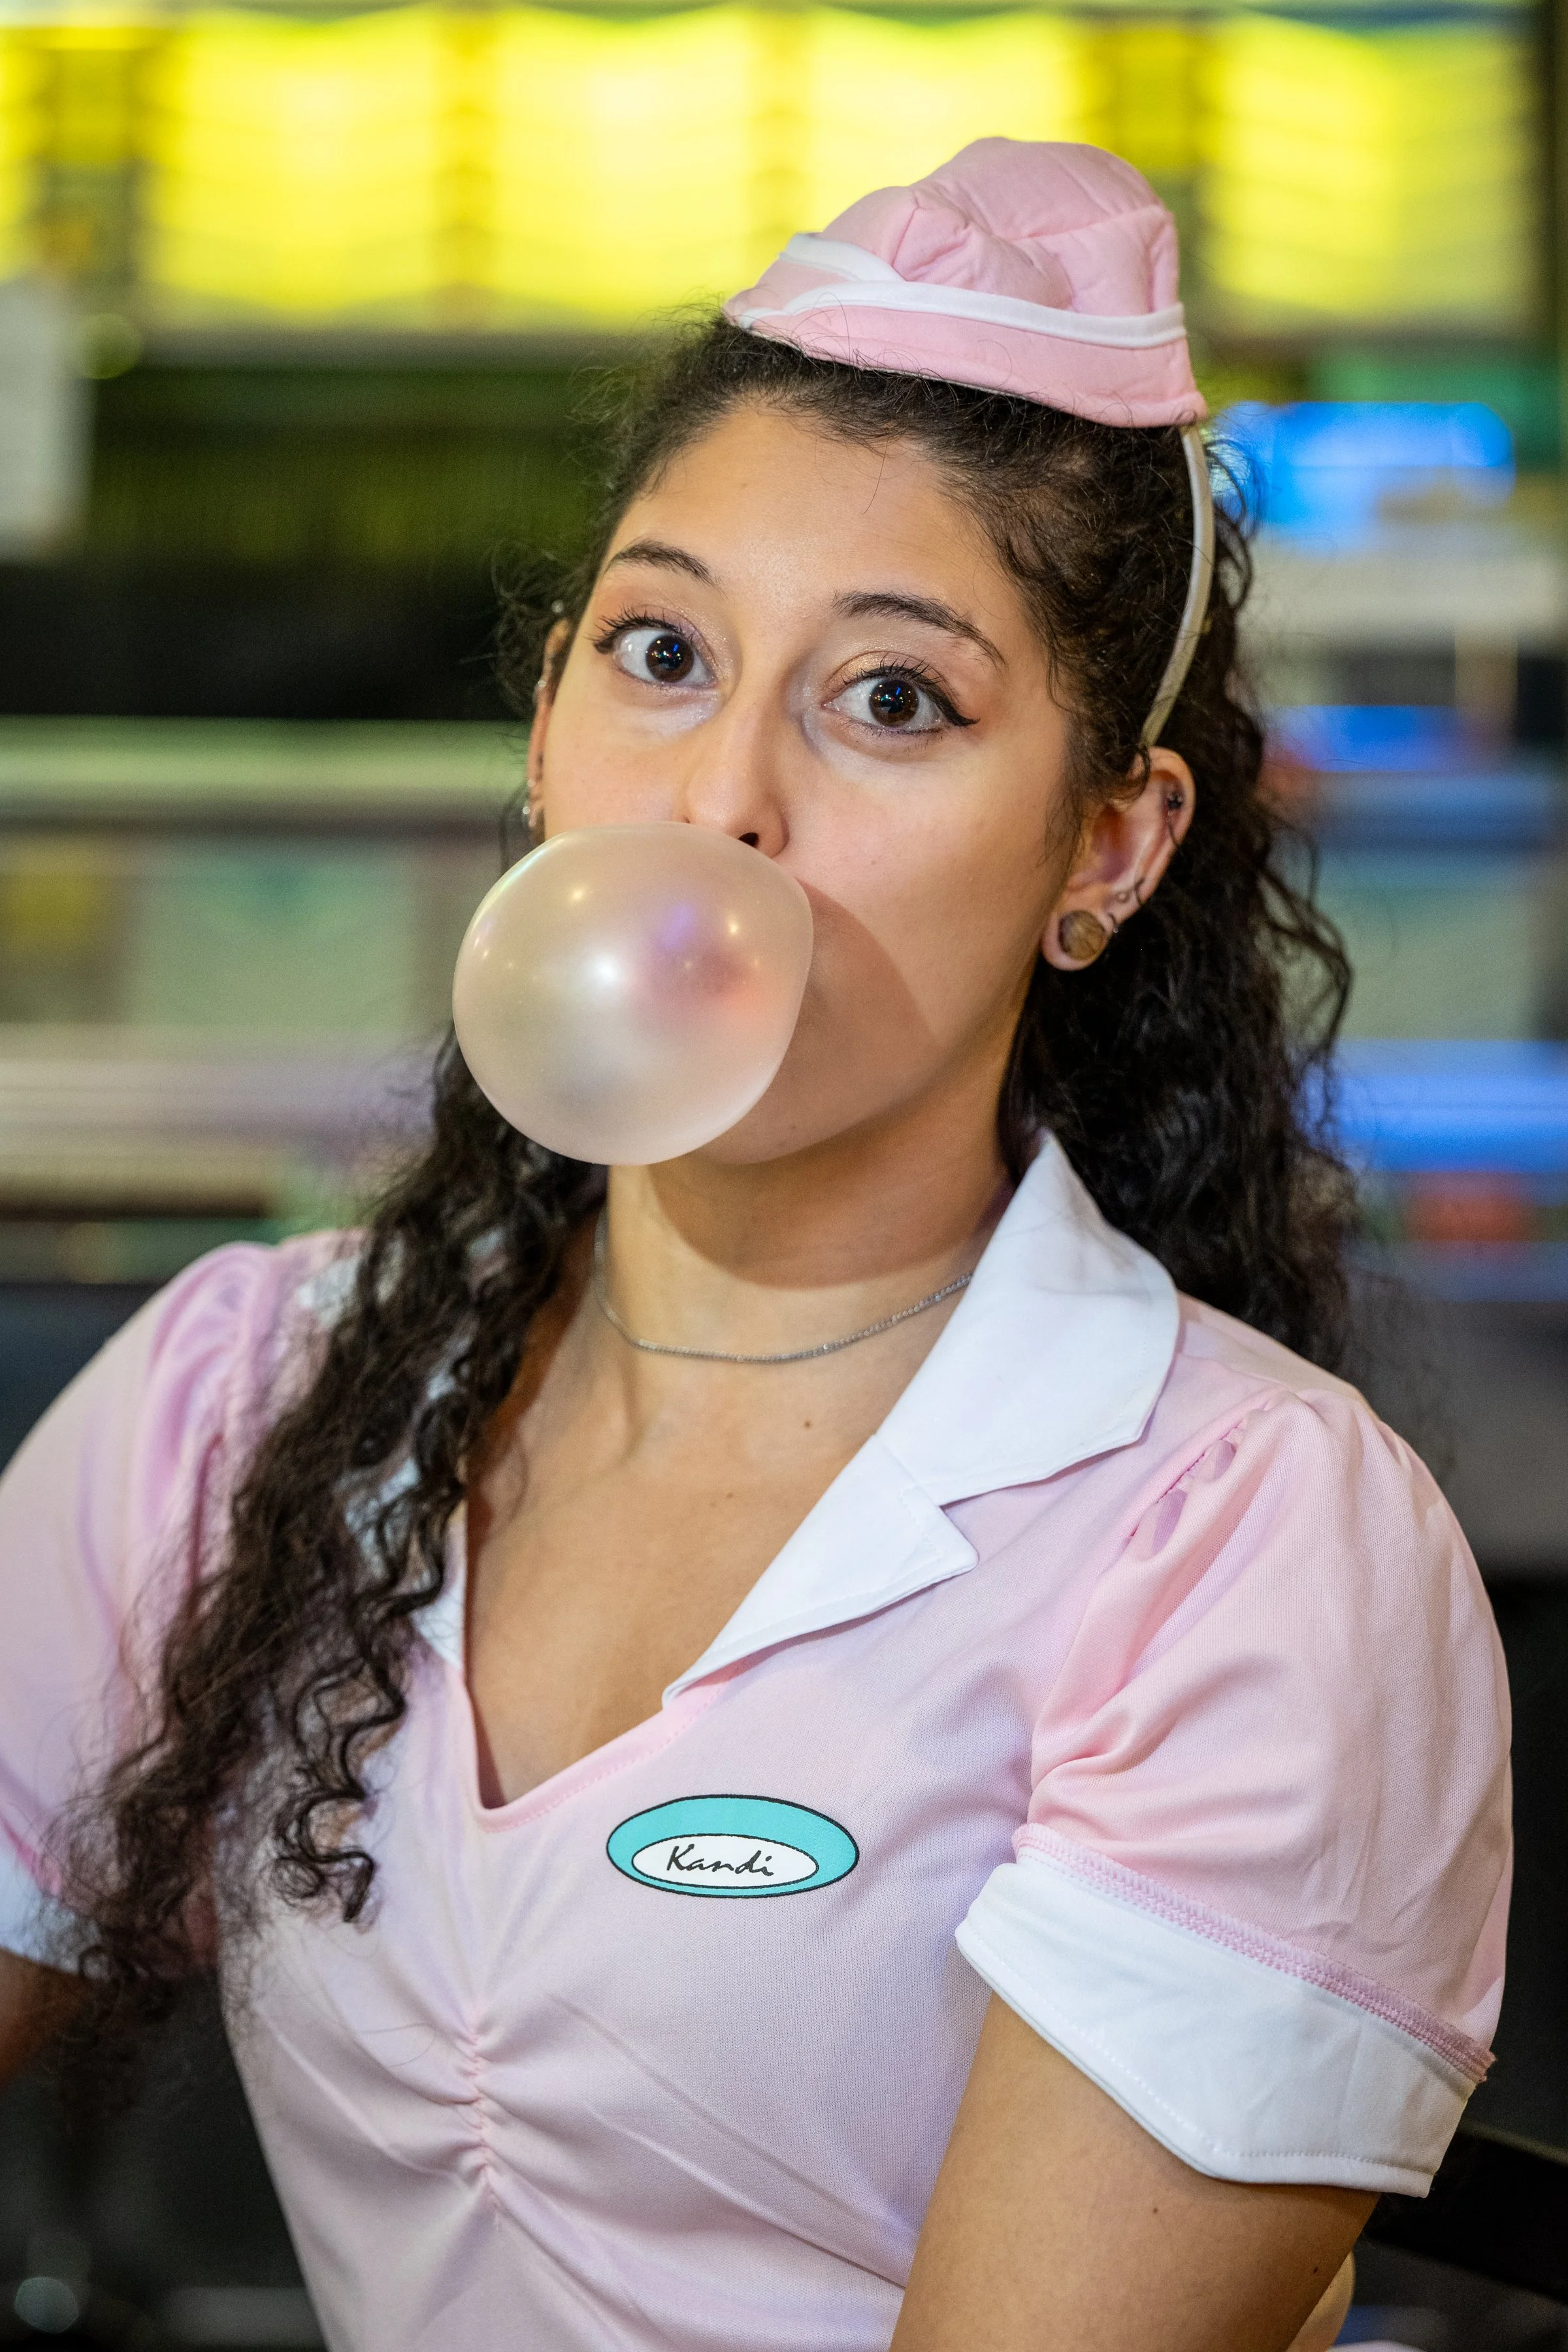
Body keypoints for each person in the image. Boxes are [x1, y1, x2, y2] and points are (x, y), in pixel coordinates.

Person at [0, 140, 1509, 2352]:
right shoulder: (254, 1389)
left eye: (892, 697)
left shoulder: (1244, 1540)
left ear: (1112, 841)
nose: (721, 804)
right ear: (543, 732)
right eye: (662, 651)